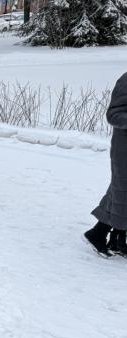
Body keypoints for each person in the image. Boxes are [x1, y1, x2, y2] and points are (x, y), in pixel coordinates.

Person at [84, 72, 127, 258]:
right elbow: (113, 115)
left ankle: (112, 237)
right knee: (121, 192)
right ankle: (105, 235)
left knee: (119, 193)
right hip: (124, 148)